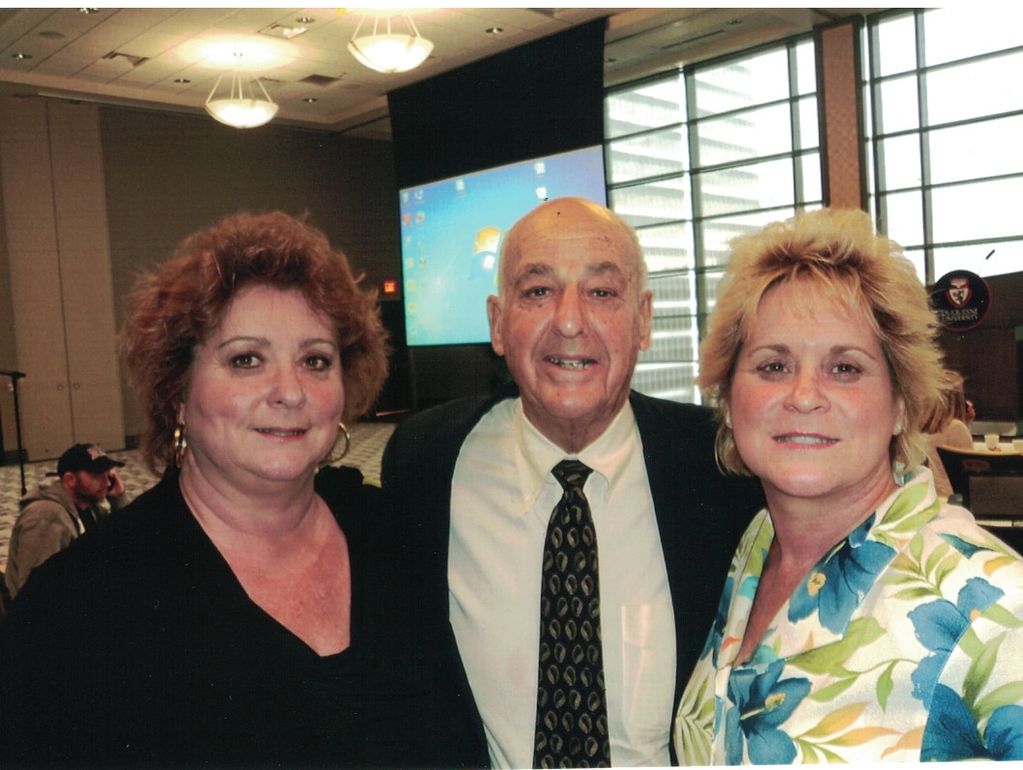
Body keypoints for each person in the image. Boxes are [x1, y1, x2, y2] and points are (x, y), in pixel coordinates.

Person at [0, 211, 475, 767]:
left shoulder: (399, 536)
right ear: (177, 391)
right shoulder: (79, 605)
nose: (290, 392)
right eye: (246, 360)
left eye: (315, 360)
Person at [382, 197, 765, 767]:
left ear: (643, 320)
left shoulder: (723, 464)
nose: (567, 319)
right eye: (537, 291)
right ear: (497, 322)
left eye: (601, 293)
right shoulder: (426, 459)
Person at [673, 208, 1023, 764]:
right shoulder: (754, 549)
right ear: (730, 402)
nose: (805, 395)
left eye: (845, 368)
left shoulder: (993, 606)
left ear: (900, 406)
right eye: (772, 366)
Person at [4, 442, 126, 599]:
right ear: (70, 479)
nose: (108, 483)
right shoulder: (46, 516)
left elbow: (126, 540)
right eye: (96, 476)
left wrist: (118, 498)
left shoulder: (88, 505)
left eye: (107, 475)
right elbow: (35, 593)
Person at [923, 370, 974, 498]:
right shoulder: (956, 428)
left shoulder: (924, 428)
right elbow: (970, 470)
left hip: (931, 495)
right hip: (952, 497)